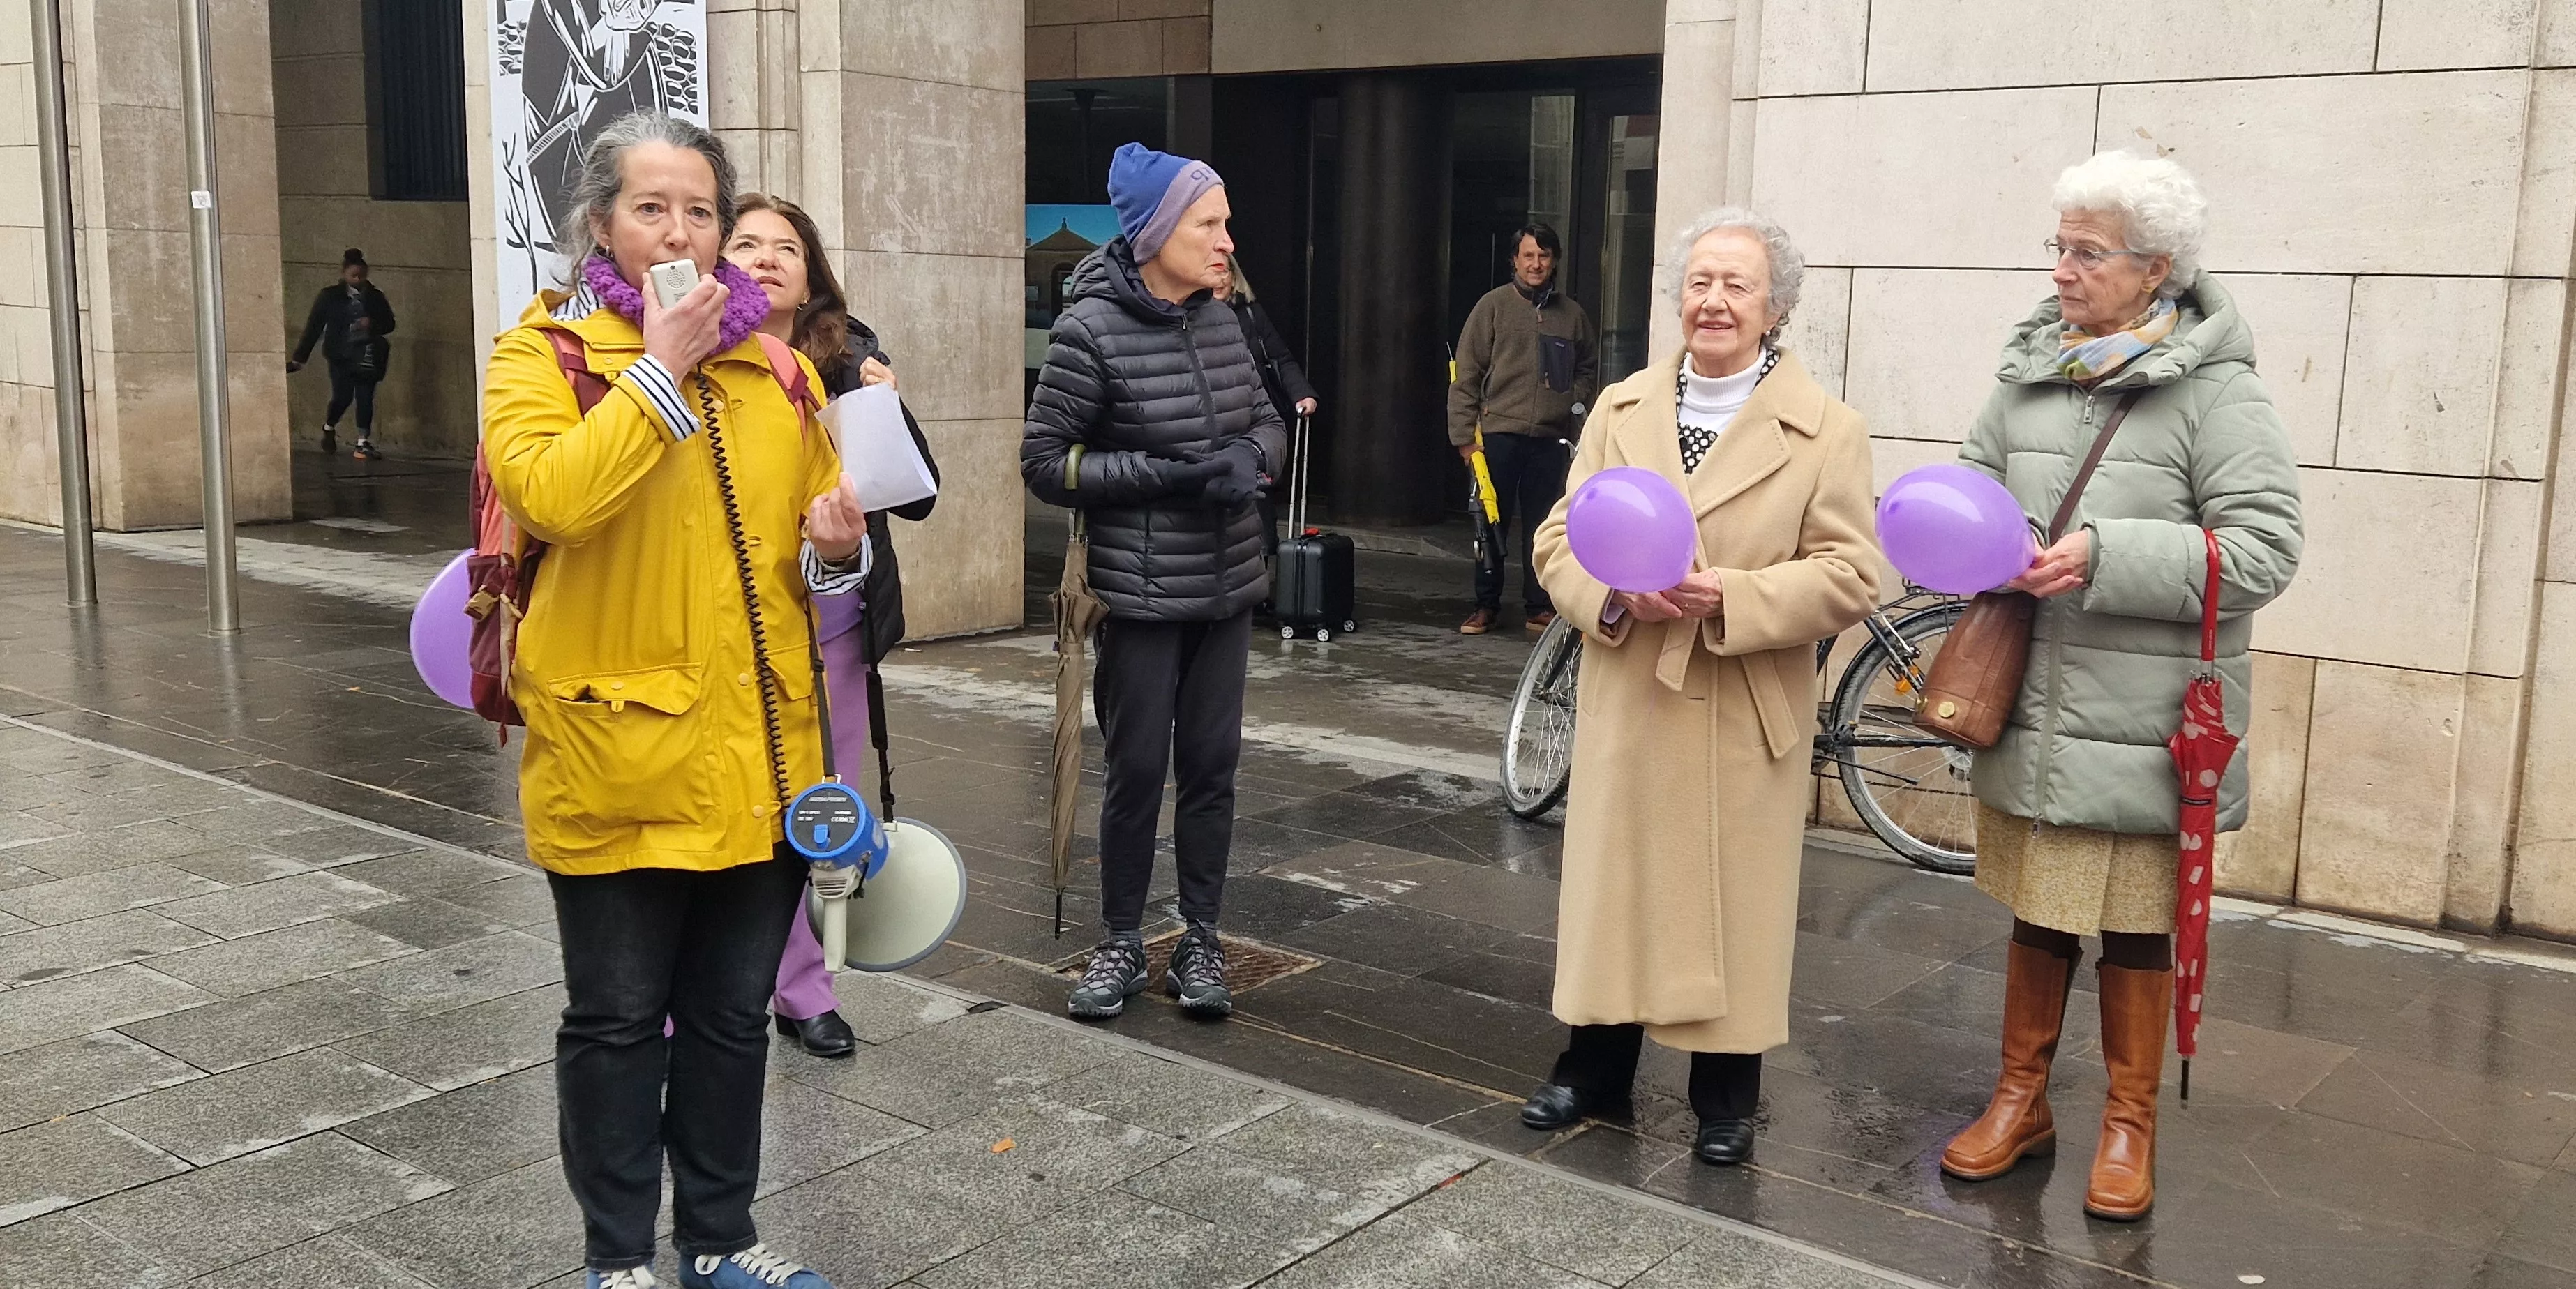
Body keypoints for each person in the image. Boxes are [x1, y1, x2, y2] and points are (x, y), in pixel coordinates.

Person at [481, 112, 862, 1289]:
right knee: (612, 1019)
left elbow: (812, 568)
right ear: (601, 224)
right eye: (653, 208)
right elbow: (551, 496)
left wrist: (839, 548)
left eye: (701, 208)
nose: (683, 231)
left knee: (731, 1019)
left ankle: (718, 1238)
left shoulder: (783, 372)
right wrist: (660, 369)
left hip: (764, 759)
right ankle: (615, 1259)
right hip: (616, 749)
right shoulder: (540, 358)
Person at [1938, 151, 2301, 1222]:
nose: (2062, 271)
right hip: (2035, 706)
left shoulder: (2220, 393)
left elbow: (2266, 550)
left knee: (2141, 928)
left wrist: (2107, 553)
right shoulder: (2027, 373)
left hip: (2146, 728)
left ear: (2156, 270)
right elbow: (1969, 491)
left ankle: (2129, 1123)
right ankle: (2022, 1102)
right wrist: (1975, 543)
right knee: (2040, 914)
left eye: (2087, 253)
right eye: (2059, 247)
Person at [1521, 209, 1878, 1168]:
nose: (1715, 301)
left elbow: (1853, 574)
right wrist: (1608, 596)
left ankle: (1726, 1095)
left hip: (1739, 698)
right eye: (1701, 283)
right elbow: (1559, 536)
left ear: (1776, 308)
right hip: (1632, 684)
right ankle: (1590, 1067)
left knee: (1734, 903)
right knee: (1616, 889)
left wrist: (1736, 594)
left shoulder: (1827, 429)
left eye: (1739, 286)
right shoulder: (1621, 407)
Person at [1023, 142, 1286, 1022]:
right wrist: (1166, 474)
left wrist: (1248, 459)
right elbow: (1043, 463)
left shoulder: (1222, 316)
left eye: (1223, 223)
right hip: (1138, 599)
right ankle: (1121, 942)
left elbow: (1265, 419)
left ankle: (1201, 939)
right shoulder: (1087, 331)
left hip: (1228, 589)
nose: (1225, 241)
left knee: (1212, 769)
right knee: (1137, 771)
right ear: (1157, 232)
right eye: (1209, 223)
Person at [724, 192, 942, 1061]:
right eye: (746, 243)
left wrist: (887, 407)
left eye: (787, 246)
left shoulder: (852, 355)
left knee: (822, 810)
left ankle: (804, 986)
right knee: (729, 803)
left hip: (832, 622)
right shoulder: (689, 359)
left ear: (812, 272)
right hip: (724, 622)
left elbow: (918, 495)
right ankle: (715, 981)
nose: (768, 257)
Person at [1448, 222, 1598, 636]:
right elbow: (1466, 375)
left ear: (1554, 262)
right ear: (1515, 260)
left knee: (1543, 526)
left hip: (1550, 438)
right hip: (1496, 436)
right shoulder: (1492, 307)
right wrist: (1465, 439)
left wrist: (1573, 400)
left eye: (1544, 256)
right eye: (1529, 255)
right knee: (1489, 523)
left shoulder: (1572, 315)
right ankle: (1485, 605)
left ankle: (1539, 606)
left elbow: (1587, 368)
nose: (1536, 264)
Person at [1220, 254, 1317, 569]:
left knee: (1257, 488)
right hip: (1213, 416)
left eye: (1226, 272)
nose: (1221, 279)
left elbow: (1280, 357)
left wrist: (1302, 393)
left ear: (1235, 277)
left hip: (1253, 412)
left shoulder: (1250, 313)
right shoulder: (1187, 314)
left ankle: (1259, 568)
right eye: (1214, 270)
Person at [288, 248, 396, 459]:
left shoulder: (375, 297)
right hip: (340, 355)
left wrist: (372, 324)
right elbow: (314, 327)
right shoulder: (330, 297)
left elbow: (389, 323)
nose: (358, 280)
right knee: (343, 396)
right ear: (344, 274)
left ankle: (363, 441)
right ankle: (329, 427)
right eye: (353, 276)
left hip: (367, 353)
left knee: (365, 396)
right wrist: (300, 358)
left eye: (362, 276)